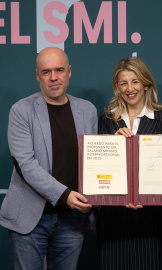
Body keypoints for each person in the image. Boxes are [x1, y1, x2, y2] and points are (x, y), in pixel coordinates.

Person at [0, 47, 98, 270]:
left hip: (72, 220)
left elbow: (97, 158)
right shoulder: (21, 110)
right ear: (37, 75)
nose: (54, 77)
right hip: (31, 218)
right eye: (46, 72)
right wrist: (65, 195)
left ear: (69, 71)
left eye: (59, 70)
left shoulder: (88, 110)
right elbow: (25, 164)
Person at [98, 57, 162, 270]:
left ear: (146, 84)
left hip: (150, 220)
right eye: (123, 83)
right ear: (117, 87)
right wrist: (113, 140)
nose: (130, 88)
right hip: (113, 219)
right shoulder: (107, 119)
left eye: (135, 81)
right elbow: (101, 168)